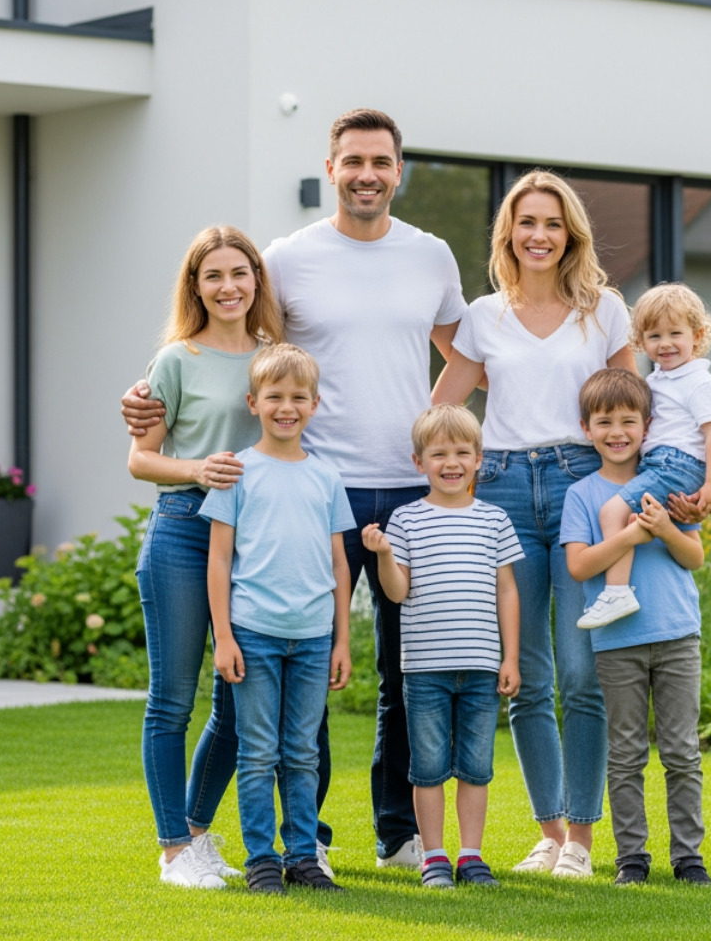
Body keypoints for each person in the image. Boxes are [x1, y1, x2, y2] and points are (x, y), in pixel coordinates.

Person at [123, 109, 467, 871]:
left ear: (398, 169)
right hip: (303, 496)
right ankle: (295, 838)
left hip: (405, 490)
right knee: (292, 667)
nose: (367, 174)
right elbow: (219, 339)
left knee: (401, 676)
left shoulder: (432, 255)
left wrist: (431, 430)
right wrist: (145, 395)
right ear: (332, 166)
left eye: (381, 161)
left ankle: (398, 833)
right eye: (353, 161)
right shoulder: (288, 256)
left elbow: (464, 351)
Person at [429, 170, 633, 878]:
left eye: (551, 223)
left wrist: (666, 481)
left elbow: (633, 405)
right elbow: (443, 413)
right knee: (526, 672)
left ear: (569, 233)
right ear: (508, 235)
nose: (538, 235)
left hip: (585, 486)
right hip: (507, 486)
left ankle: (580, 838)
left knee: (582, 672)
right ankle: (548, 831)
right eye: (526, 223)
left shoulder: (604, 311)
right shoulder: (484, 316)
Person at [127, 225, 284, 889]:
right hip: (185, 533)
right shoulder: (176, 359)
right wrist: (198, 469)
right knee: (172, 701)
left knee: (234, 699)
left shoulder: (276, 356)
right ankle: (172, 851)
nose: (228, 287)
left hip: (256, 540)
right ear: (195, 285)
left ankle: (195, 834)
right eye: (213, 275)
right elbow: (140, 458)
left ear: (257, 280)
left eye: (239, 273)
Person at [202, 343, 355, 894]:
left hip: (314, 638)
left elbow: (339, 561)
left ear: (315, 404)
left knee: (302, 752)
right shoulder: (237, 473)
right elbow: (219, 559)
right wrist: (224, 637)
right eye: (274, 397)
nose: (285, 407)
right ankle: (261, 858)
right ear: (253, 402)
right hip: (254, 633)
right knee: (258, 750)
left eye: (298, 397)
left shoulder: (327, 477)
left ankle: (303, 856)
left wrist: (342, 640)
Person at [561, 368, 711, 886]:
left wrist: (666, 527)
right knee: (625, 754)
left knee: (681, 751)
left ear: (648, 427)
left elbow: (693, 556)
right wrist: (632, 535)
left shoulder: (670, 483)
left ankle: (688, 857)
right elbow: (581, 567)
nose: (617, 432)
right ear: (586, 428)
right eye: (604, 422)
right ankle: (632, 858)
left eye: (629, 421)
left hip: (676, 634)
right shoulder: (583, 495)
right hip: (617, 641)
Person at [360, 405, 523, 888]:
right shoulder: (405, 520)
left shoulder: (494, 520)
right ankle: (434, 856)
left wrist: (510, 656)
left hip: (479, 667)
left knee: (476, 767)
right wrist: (385, 554)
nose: (450, 463)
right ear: (418, 462)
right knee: (427, 768)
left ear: (478, 460)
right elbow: (396, 592)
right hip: (425, 669)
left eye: (462, 453)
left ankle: (471, 856)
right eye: (438, 454)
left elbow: (507, 590)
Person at [578, 283, 711, 630]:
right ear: (640, 341)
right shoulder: (659, 379)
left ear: (698, 335)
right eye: (654, 336)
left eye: (676, 333)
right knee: (634, 520)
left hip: (676, 464)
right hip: (660, 465)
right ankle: (621, 588)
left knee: (611, 510)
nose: (665, 344)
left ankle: (617, 592)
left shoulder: (698, 382)